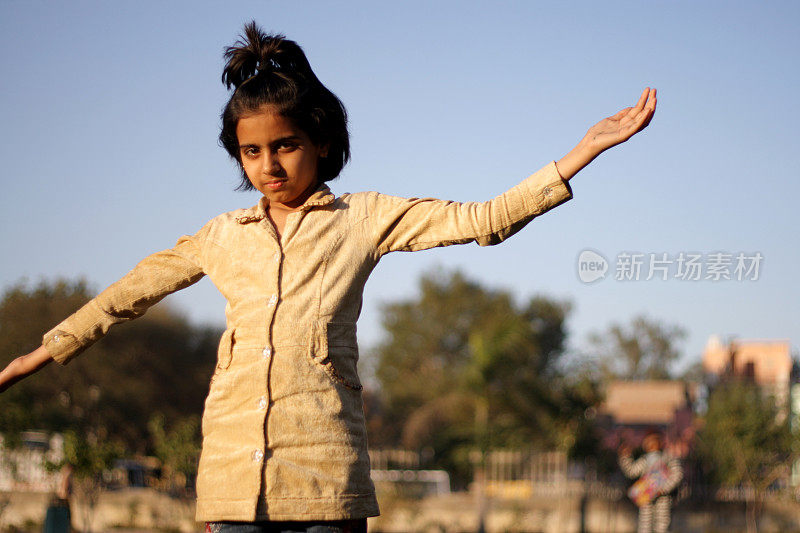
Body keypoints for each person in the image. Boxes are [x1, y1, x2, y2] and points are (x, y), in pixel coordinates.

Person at [0, 21, 656, 533]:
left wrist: (579, 154)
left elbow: (481, 219)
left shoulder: (361, 219)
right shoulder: (222, 236)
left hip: (324, 483)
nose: (269, 165)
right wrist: (49, 348)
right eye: (251, 151)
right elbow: (128, 293)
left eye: (283, 145)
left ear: (317, 139)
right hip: (231, 485)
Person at [619, 430, 684, 533]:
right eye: (648, 442)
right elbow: (632, 471)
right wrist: (625, 457)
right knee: (645, 526)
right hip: (646, 498)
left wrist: (664, 489)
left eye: (654, 441)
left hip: (663, 498)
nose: (651, 444)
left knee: (662, 526)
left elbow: (678, 474)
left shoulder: (667, 458)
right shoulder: (644, 460)